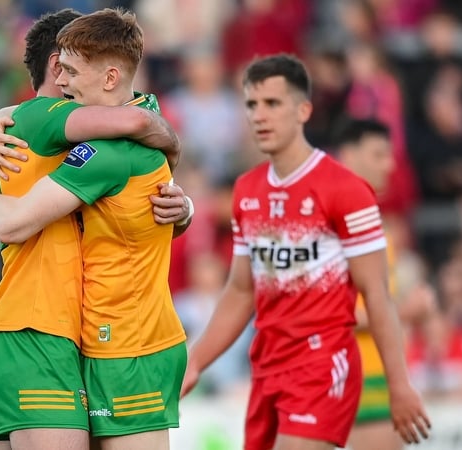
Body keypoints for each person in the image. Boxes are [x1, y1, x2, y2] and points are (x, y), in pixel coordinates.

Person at [180, 54, 430, 450]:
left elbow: (377, 294)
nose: (259, 115)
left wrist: (399, 385)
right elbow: (241, 290)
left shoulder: (346, 190)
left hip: (322, 361)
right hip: (267, 364)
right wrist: (195, 360)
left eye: (272, 103)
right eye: (252, 104)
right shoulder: (246, 191)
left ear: (303, 110)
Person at [0, 9, 191, 450]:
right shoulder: (45, 121)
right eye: (64, 70)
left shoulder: (101, 142)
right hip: (38, 329)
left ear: (109, 76)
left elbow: (138, 165)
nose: (66, 80)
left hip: (103, 338)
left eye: (74, 71)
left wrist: (182, 206)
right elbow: (9, 224)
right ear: (53, 64)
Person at [334, 118, 437, 450]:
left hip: (377, 373)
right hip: (356, 376)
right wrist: (407, 311)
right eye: (378, 154)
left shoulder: (372, 222)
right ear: (348, 155)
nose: (390, 165)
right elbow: (333, 313)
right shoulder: (336, 223)